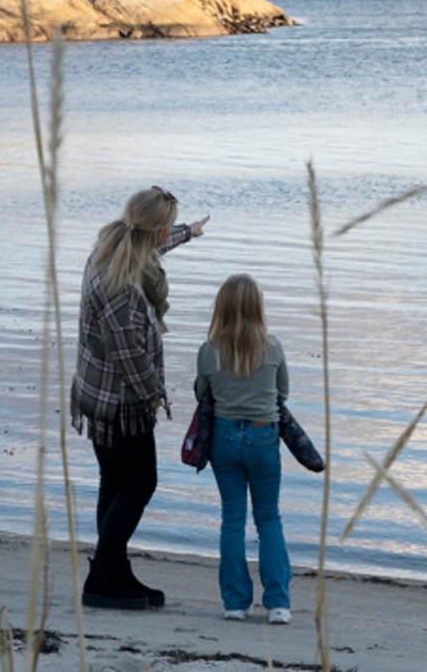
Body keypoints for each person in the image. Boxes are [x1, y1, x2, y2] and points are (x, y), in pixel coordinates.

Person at [71, 186, 208, 610]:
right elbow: (128, 354)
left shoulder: (111, 247)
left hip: (95, 392)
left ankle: (114, 571)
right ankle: (100, 579)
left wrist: (190, 232)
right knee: (139, 483)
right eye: (168, 228)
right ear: (156, 228)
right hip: (119, 402)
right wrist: (156, 395)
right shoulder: (122, 287)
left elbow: (154, 249)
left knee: (114, 482)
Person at [195, 273, 292, 624]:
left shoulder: (209, 351)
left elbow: (201, 394)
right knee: (269, 518)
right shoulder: (273, 347)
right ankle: (278, 603)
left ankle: (235, 603)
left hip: (224, 438)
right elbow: (283, 392)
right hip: (264, 436)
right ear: (258, 307)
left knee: (232, 519)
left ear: (221, 308)